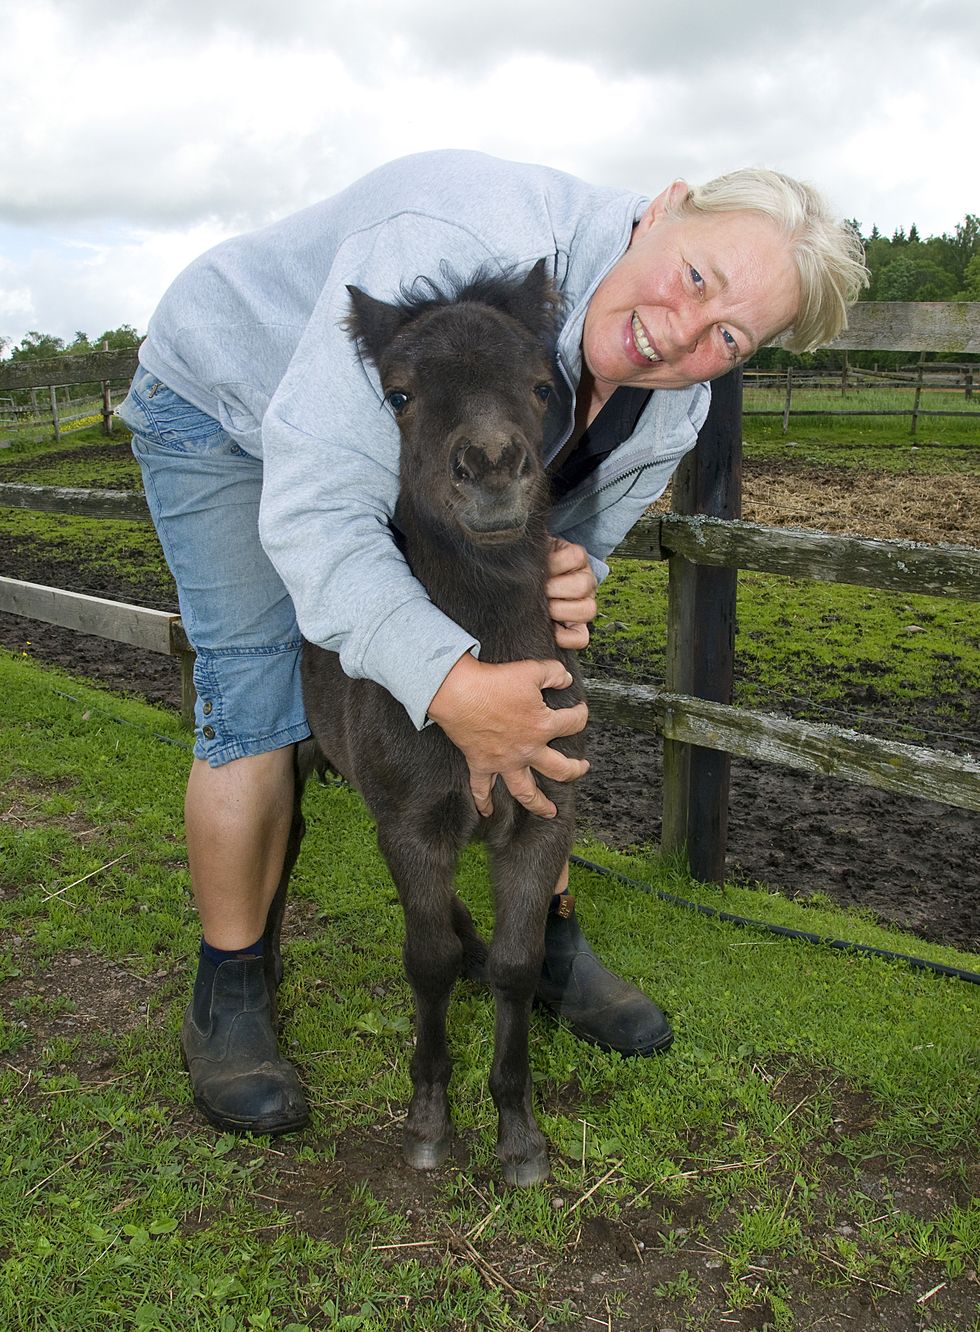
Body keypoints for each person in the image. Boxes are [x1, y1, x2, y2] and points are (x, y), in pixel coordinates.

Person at [117, 149, 866, 1136]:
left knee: (526, 667)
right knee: (253, 693)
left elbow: (568, 553)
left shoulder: (671, 404)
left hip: (387, 444)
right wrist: (446, 684)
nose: (678, 331)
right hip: (224, 406)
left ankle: (542, 939)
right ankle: (232, 986)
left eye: (727, 334)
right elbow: (317, 522)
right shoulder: (450, 248)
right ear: (664, 208)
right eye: (695, 277)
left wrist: (565, 579)